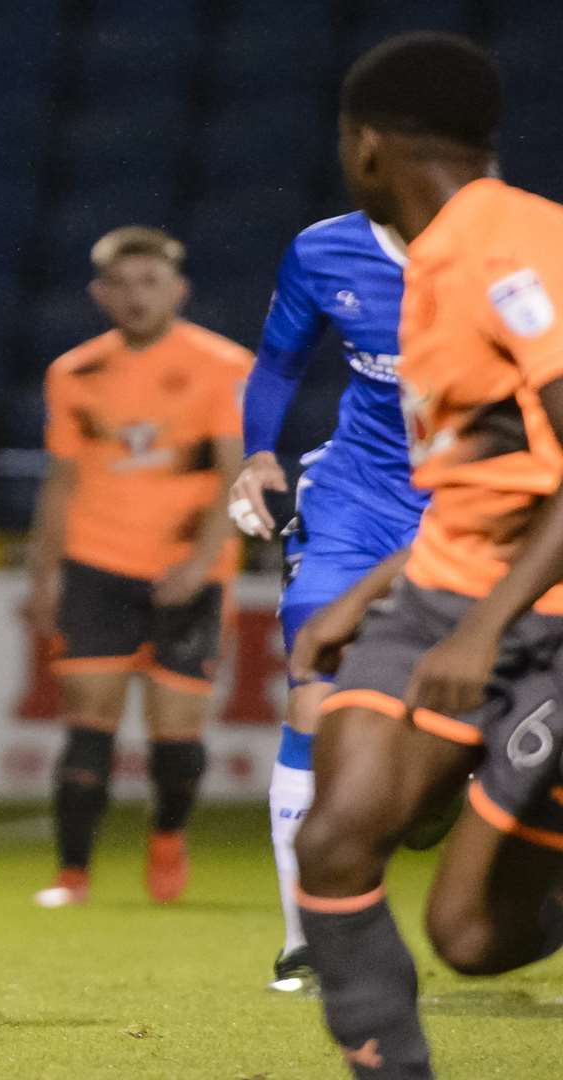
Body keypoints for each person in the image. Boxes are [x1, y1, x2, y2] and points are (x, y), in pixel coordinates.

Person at [291, 34, 563, 1078]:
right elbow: (485, 482)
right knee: (336, 839)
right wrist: (364, 592)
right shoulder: (437, 257)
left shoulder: (513, 246)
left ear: (366, 147)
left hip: (536, 617)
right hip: (439, 597)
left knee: (473, 939)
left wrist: (492, 624)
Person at [25, 226, 250, 908]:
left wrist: (203, 560)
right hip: (97, 562)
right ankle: (73, 876)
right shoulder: (73, 372)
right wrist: (43, 573)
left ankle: (168, 836)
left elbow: (233, 474)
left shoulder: (223, 365)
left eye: (150, 282)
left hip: (190, 569)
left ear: (178, 290)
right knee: (88, 721)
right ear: (99, 294)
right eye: (120, 284)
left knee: (175, 735)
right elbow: (61, 480)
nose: (135, 297)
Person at [227, 205, 419, 992]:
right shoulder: (325, 249)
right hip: (355, 503)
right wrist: (258, 454)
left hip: (484, 502)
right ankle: (304, 936)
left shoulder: (525, 247)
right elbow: (279, 361)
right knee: (315, 692)